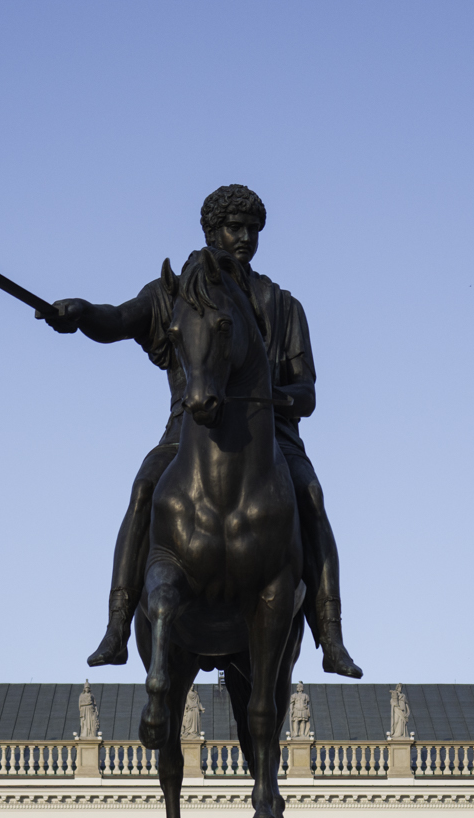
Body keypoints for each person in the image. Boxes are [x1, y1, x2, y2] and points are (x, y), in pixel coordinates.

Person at [42, 184, 361, 679]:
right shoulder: (174, 294)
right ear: (212, 231)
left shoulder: (282, 306)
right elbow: (117, 320)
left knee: (311, 496)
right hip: (185, 433)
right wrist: (81, 313)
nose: (246, 238)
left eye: (254, 229)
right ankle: (118, 625)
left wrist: (280, 398)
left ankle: (331, 634)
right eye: (236, 228)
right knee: (144, 489)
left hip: (271, 439)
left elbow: (308, 394)